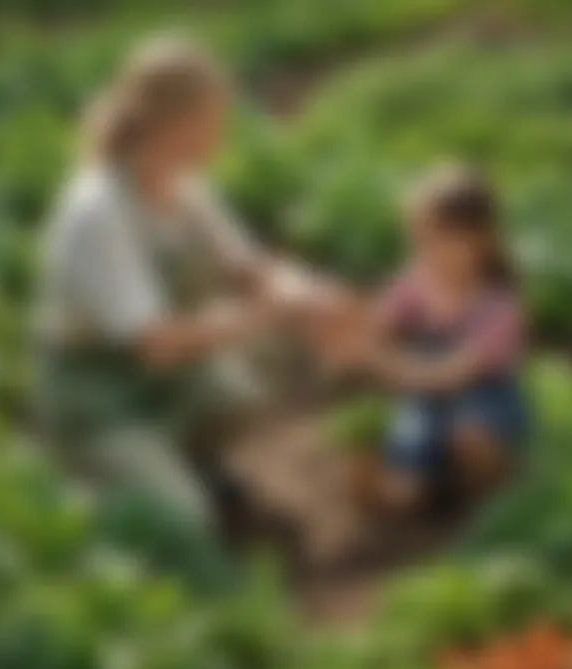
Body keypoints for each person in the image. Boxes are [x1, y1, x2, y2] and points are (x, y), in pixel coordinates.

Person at [33, 36, 339, 588]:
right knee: (183, 525)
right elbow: (159, 342)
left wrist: (309, 292)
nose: (220, 133)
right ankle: (97, 490)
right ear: (168, 123)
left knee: (270, 363)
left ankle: (187, 461)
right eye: (211, 120)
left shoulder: (184, 187)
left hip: (166, 378)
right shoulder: (97, 211)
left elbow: (250, 268)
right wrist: (264, 315)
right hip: (99, 398)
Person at [320, 163, 530, 515]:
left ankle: (484, 483)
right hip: (423, 403)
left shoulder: (498, 306)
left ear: (481, 240)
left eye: (441, 241)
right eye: (421, 242)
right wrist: (351, 341)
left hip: (481, 397)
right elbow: (376, 323)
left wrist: (383, 364)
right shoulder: (416, 283)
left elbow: (451, 374)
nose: (429, 253)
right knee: (406, 479)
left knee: (472, 439)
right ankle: (422, 488)